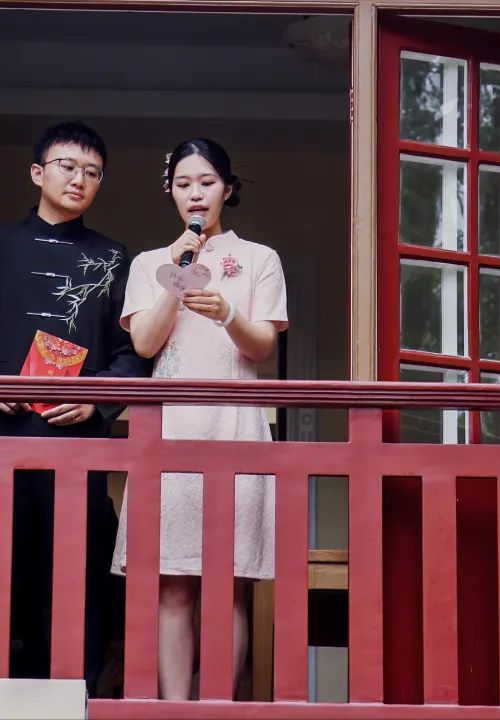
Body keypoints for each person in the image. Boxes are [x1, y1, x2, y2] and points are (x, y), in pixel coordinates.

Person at [0, 121, 151, 693]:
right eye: (67, 166)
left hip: (76, 447)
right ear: (37, 172)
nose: (79, 179)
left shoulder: (112, 257)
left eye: (92, 172)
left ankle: (74, 700)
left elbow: (133, 353)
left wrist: (96, 401)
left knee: (77, 585)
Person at [111, 138, 288, 700]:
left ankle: (216, 706)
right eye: (184, 183)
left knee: (227, 586)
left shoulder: (259, 258)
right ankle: (174, 708)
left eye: (207, 182)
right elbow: (145, 343)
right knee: (172, 586)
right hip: (171, 431)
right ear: (170, 192)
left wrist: (229, 312)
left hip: (235, 427)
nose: (195, 193)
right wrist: (179, 271)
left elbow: (261, 347)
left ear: (227, 190)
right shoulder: (149, 264)